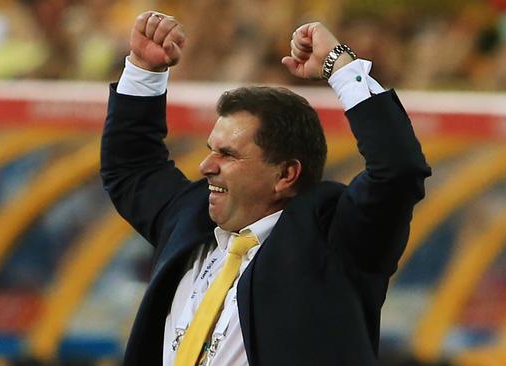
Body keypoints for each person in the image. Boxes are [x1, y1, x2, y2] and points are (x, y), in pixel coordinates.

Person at [100, 10, 431, 366]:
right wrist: (144, 70)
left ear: (286, 174)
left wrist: (340, 67)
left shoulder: (335, 240)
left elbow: (397, 170)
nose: (206, 166)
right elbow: (132, 168)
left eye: (228, 155)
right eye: (212, 149)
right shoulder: (193, 218)